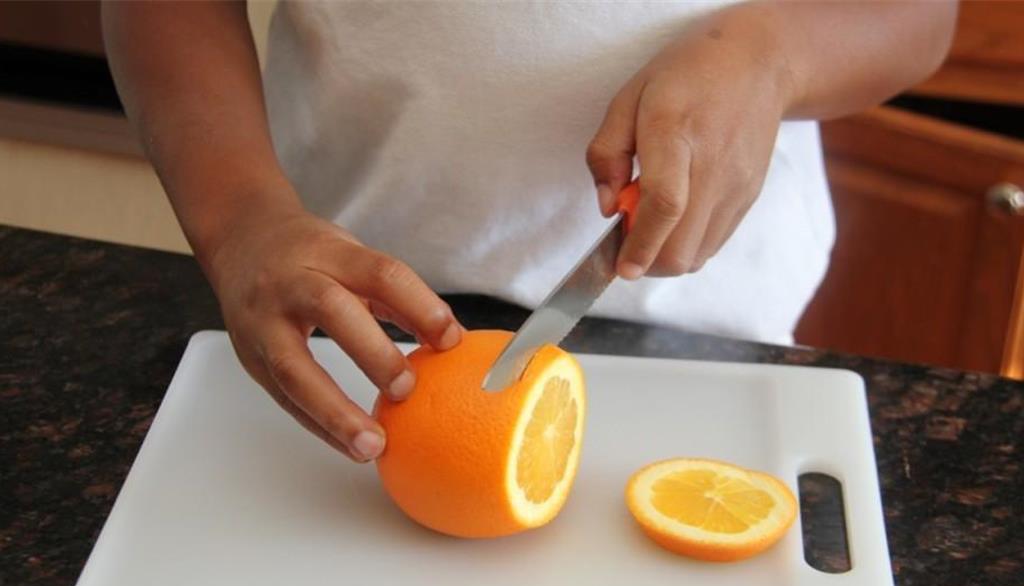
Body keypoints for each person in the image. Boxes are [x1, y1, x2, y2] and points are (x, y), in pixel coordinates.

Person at [103, 0, 957, 462]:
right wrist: (244, 218)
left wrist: (772, 54)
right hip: (350, 320)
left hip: (711, 334)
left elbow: (924, 15)